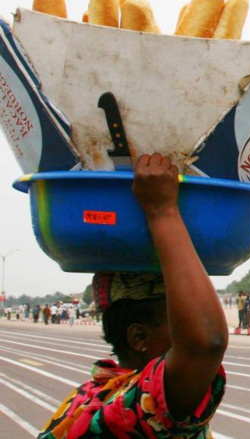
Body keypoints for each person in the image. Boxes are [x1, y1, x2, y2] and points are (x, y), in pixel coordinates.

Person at [38, 153, 228, 438]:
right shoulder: (130, 409)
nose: (191, 320)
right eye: (178, 319)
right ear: (139, 337)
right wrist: (162, 210)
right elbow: (205, 343)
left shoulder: (89, 396)